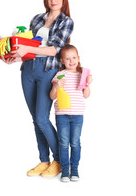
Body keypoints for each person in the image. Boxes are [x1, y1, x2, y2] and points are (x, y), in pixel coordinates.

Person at [3, 0, 74, 177]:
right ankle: (44, 160)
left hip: (48, 70)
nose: (54, 1)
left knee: (42, 118)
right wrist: (14, 56)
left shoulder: (66, 21)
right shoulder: (37, 19)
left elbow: (53, 50)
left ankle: (60, 160)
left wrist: (28, 51)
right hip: (28, 69)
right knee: (36, 119)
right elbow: (28, 46)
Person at [50, 44, 92, 182]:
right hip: (62, 114)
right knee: (63, 143)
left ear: (78, 58)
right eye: (67, 59)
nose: (71, 61)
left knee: (75, 142)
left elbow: (86, 95)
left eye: (74, 57)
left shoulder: (82, 75)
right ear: (62, 61)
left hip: (78, 114)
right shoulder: (59, 74)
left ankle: (74, 170)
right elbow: (52, 96)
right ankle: (64, 170)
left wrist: (87, 84)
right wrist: (56, 85)